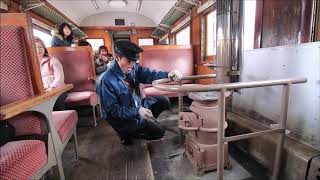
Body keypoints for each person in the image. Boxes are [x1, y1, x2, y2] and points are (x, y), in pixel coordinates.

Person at [96, 40, 182, 145]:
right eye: (129, 60)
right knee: (159, 132)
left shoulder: (132, 67)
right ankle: (126, 133)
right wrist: (137, 111)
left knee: (164, 100)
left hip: (137, 104)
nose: (132, 64)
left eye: (134, 61)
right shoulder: (106, 80)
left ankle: (146, 122)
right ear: (117, 58)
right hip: (124, 119)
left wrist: (169, 74)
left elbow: (149, 74)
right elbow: (112, 112)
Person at [35, 37, 67, 111]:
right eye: (35, 47)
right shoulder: (31, 64)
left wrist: (51, 88)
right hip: (43, 91)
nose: (38, 50)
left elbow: (59, 78)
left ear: (44, 48)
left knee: (55, 100)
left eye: (40, 47)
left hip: (58, 89)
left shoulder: (53, 61)